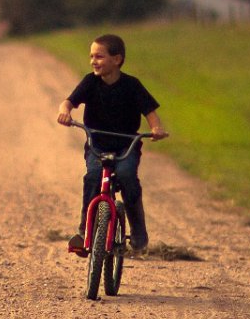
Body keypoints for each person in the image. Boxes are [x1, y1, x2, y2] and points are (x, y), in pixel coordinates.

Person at [55, 33, 168, 256]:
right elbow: (68, 102)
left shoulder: (132, 85)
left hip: (126, 146)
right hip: (97, 144)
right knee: (92, 177)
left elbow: (150, 113)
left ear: (117, 60)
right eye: (91, 56)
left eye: (99, 56)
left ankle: (138, 231)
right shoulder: (90, 82)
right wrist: (64, 112)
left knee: (127, 176)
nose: (93, 61)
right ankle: (84, 232)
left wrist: (156, 128)